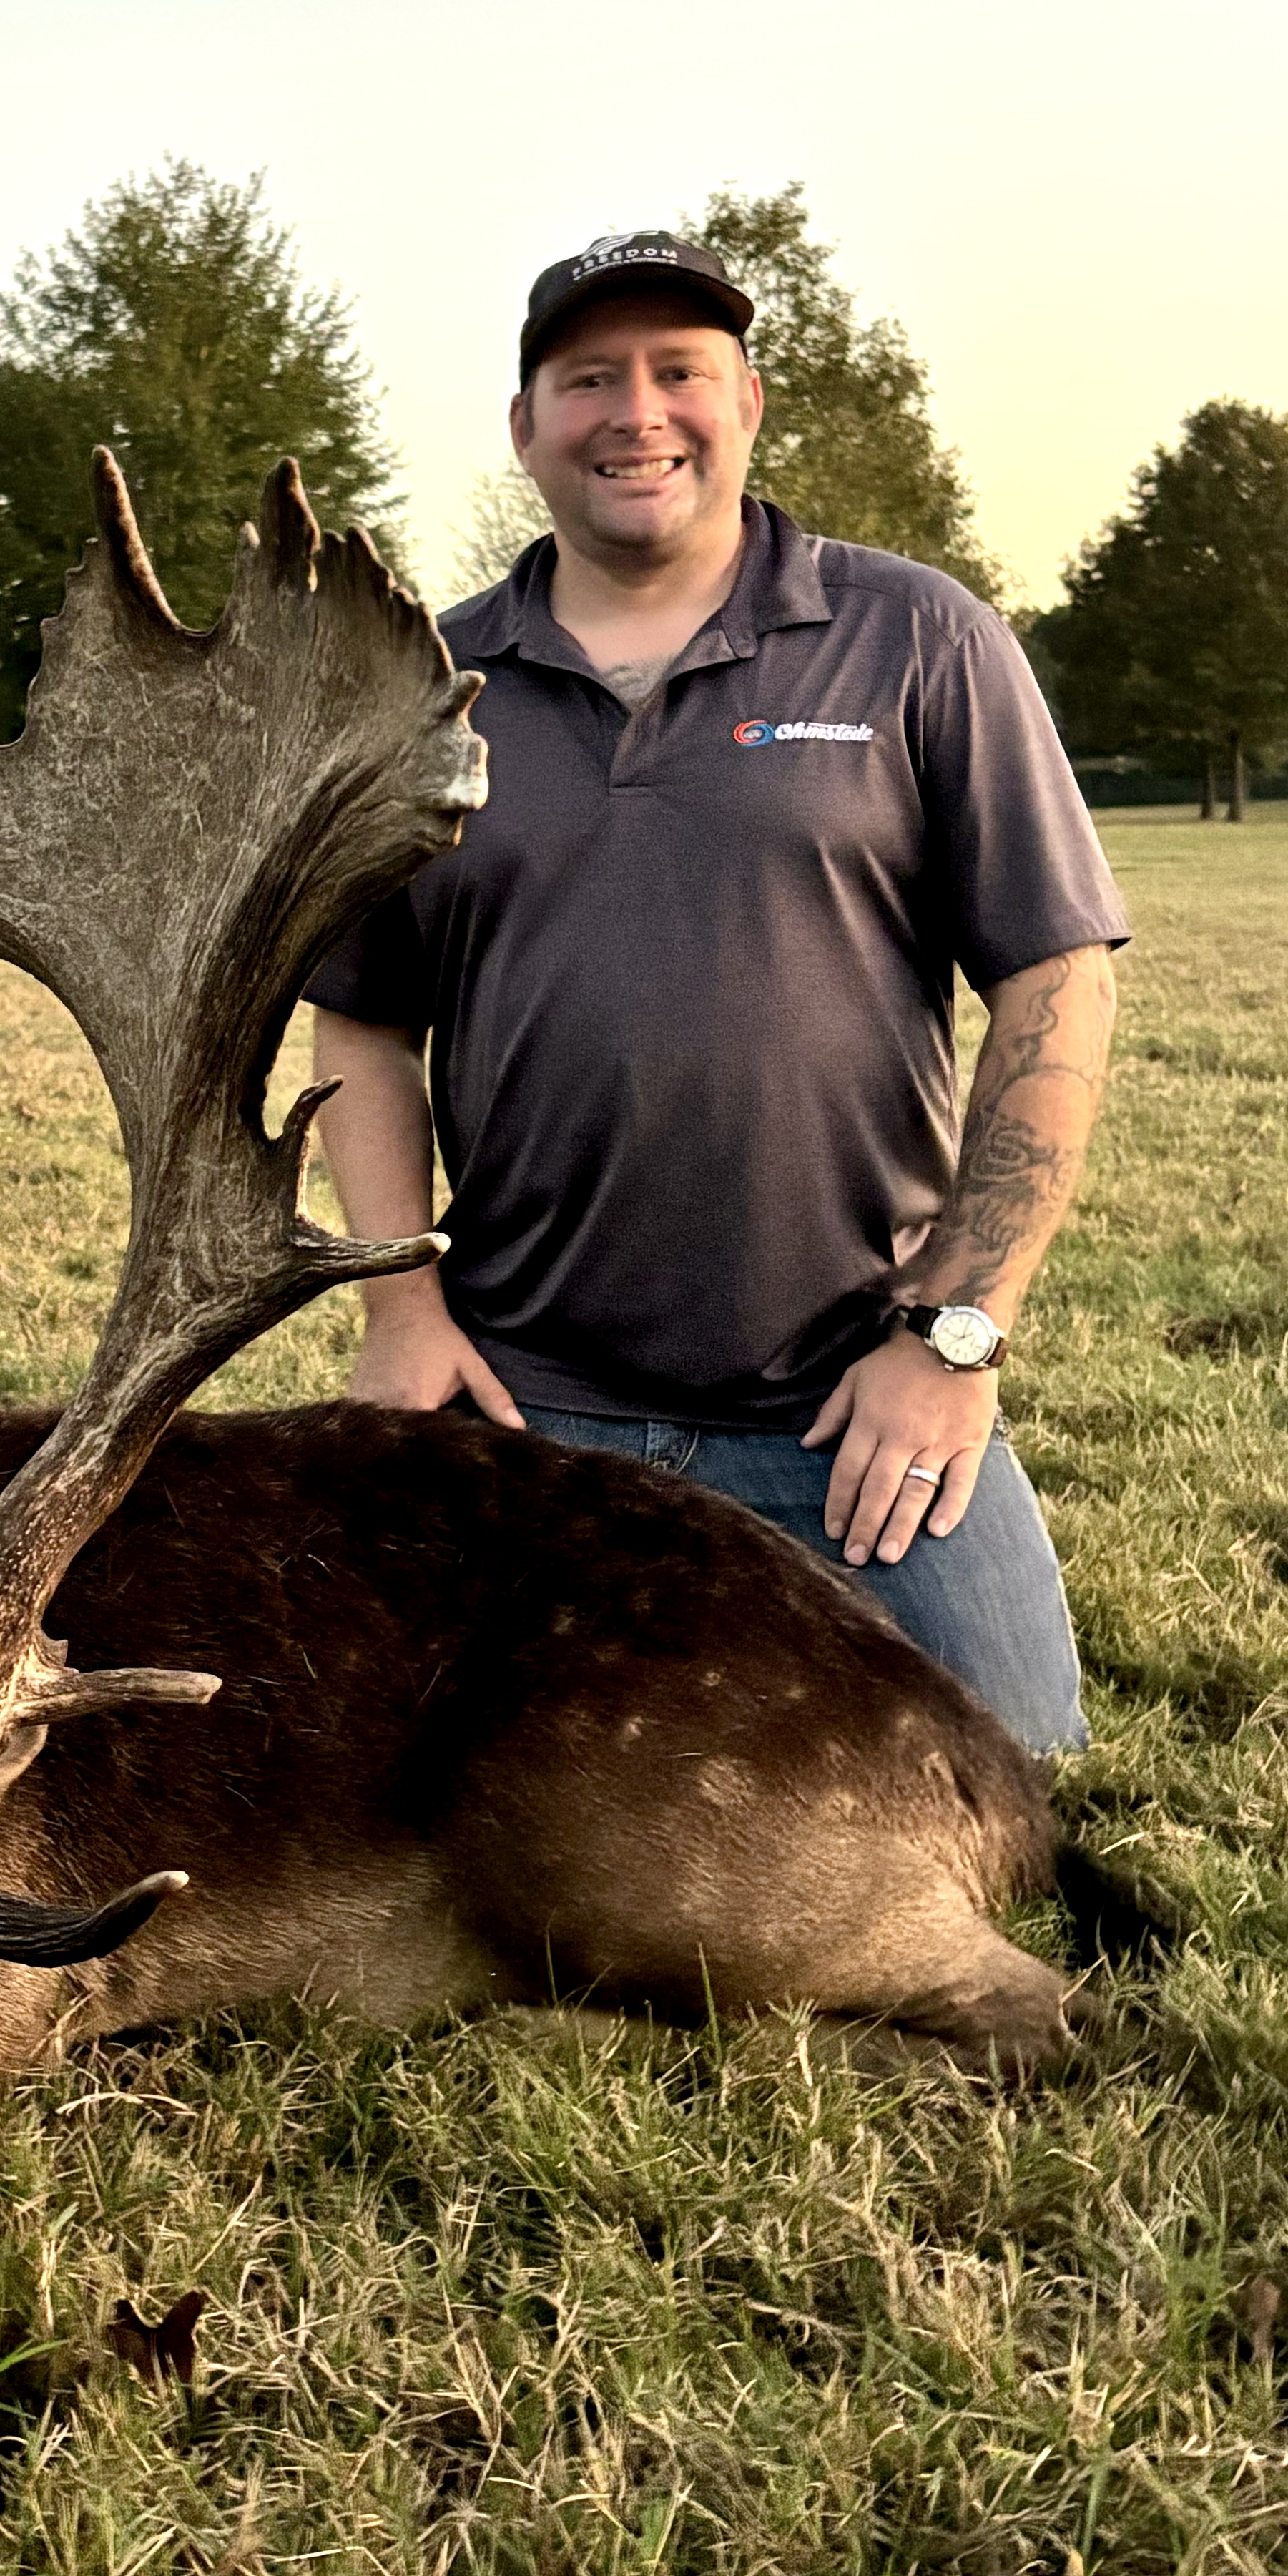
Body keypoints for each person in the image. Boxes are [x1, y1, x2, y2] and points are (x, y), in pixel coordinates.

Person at [305, 227, 1125, 1754]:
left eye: (680, 371)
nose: (638, 412)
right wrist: (400, 1308)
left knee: (1013, 1778)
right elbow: (360, 1015)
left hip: (848, 1401)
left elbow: (1055, 988)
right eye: (588, 378)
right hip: (521, 1405)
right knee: (416, 1792)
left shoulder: (918, 641)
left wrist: (951, 1338)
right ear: (525, 427)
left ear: (746, 402)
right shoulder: (420, 688)